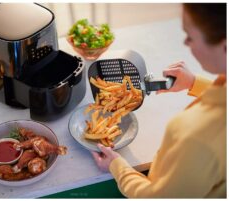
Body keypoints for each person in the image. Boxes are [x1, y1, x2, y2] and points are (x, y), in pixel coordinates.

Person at [91, 3, 226, 198]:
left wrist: (116, 165)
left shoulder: (200, 137)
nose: (186, 43)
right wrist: (195, 83)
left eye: (190, 36)